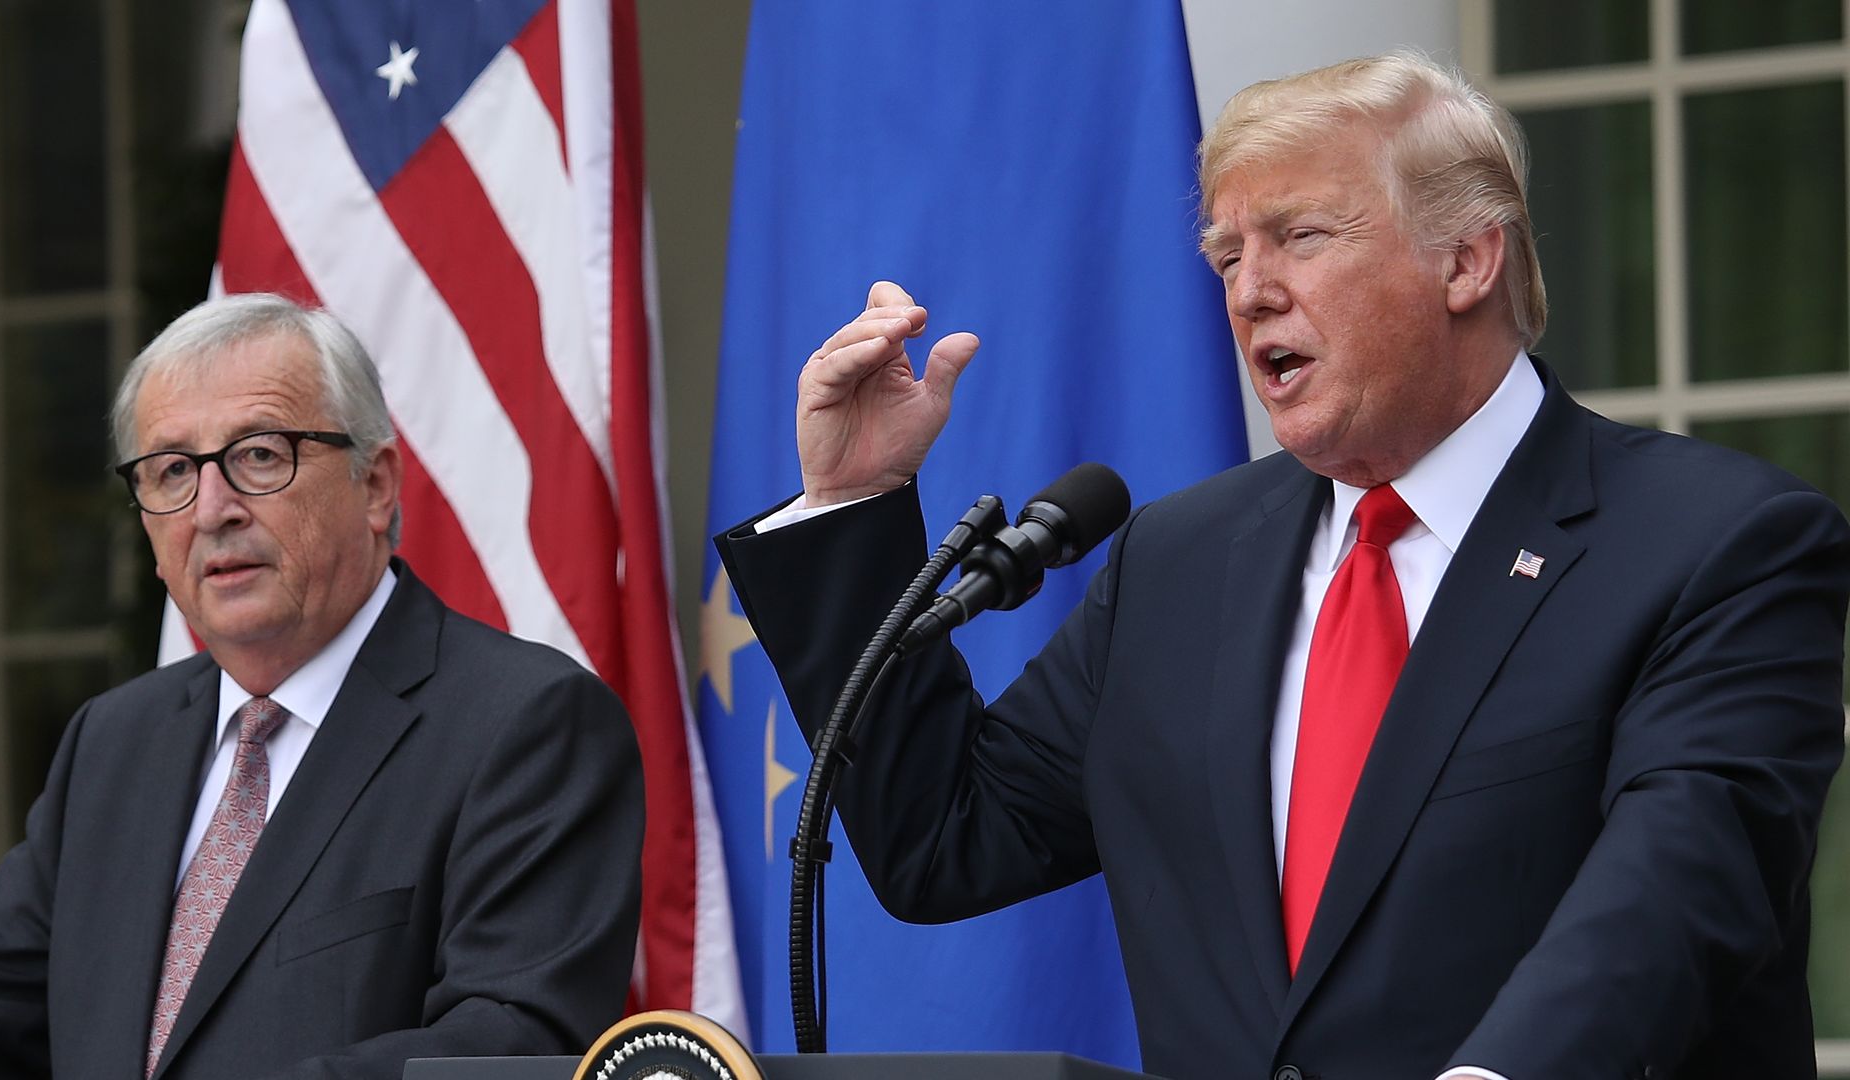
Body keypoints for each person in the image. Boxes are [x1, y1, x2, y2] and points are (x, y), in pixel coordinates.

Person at [715, 52, 1850, 1080]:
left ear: (1467, 259)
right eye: (1225, 254)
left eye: (1300, 237)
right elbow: (944, 840)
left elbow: (1678, 891)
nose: (1248, 289)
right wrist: (856, 503)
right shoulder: (1179, 560)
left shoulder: (1717, 543)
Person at [0, 294, 645, 1078]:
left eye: (260, 455)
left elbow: (512, 1043)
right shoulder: (113, 741)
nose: (211, 510)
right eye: (171, 470)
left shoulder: (526, 724)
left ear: (375, 486)